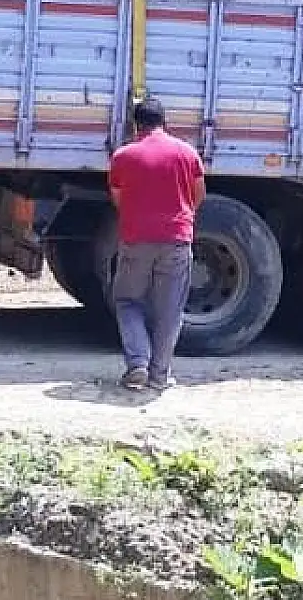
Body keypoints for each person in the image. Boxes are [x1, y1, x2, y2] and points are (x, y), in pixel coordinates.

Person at [107, 98, 204, 391]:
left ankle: (137, 364)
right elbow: (197, 195)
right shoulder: (187, 153)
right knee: (170, 310)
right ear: (165, 122)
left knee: (127, 301)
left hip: (136, 240)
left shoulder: (123, 156)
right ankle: (160, 376)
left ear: (136, 125)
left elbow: (119, 200)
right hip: (176, 240)